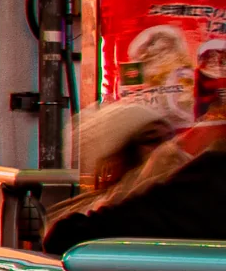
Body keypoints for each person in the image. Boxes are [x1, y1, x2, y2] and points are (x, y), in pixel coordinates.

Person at [40, 98, 226, 252]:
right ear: (110, 164)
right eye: (153, 141)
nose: (165, 147)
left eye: (170, 138)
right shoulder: (179, 195)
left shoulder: (196, 189)